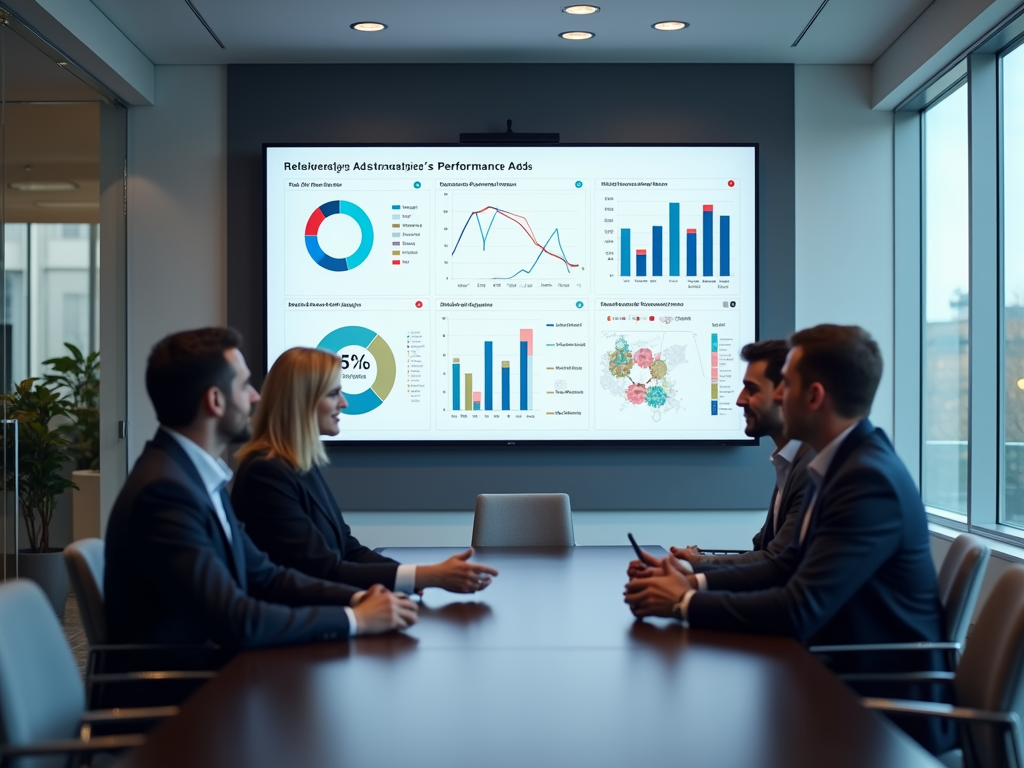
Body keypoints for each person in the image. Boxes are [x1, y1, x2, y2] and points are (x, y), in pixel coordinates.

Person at [623, 324, 953, 754]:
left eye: (787, 385)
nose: (778, 396)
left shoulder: (866, 480)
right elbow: (784, 564)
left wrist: (683, 603)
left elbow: (799, 608)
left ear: (814, 397)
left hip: (879, 711)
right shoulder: (840, 463)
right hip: (837, 678)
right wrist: (693, 583)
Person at [105, 328, 418, 653]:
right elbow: (235, 619)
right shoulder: (166, 491)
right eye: (243, 385)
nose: (256, 397)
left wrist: (358, 598)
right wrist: (355, 619)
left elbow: (266, 576)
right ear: (215, 400)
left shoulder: (191, 476)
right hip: (189, 690)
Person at [231, 346, 499, 594]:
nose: (344, 403)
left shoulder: (299, 465)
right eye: (333, 393)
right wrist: (427, 576)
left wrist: (411, 577)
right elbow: (322, 570)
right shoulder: (265, 473)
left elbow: (347, 549)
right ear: (301, 401)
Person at [654, 339, 812, 570]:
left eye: (752, 389)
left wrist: (694, 576)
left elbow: (776, 563)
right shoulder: (789, 462)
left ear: (785, 394)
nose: (739, 400)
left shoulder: (811, 469)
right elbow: (765, 552)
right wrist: (698, 563)